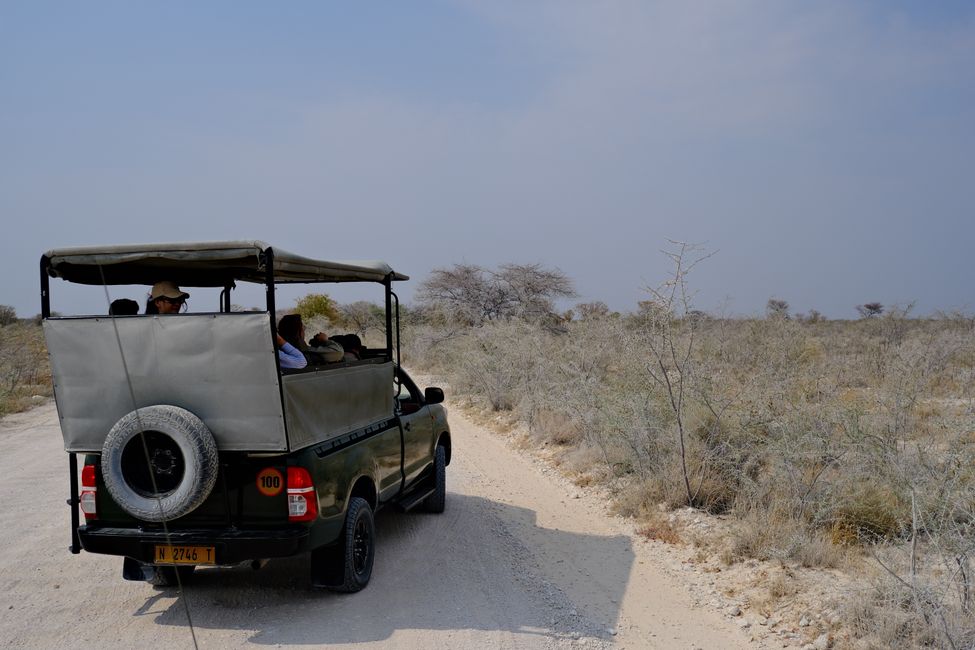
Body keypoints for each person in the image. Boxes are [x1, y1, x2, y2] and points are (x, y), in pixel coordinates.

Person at [278, 314, 344, 364]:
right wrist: (325, 340)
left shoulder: (280, 350)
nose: (304, 332)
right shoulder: (301, 350)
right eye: (303, 330)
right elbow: (338, 353)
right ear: (298, 333)